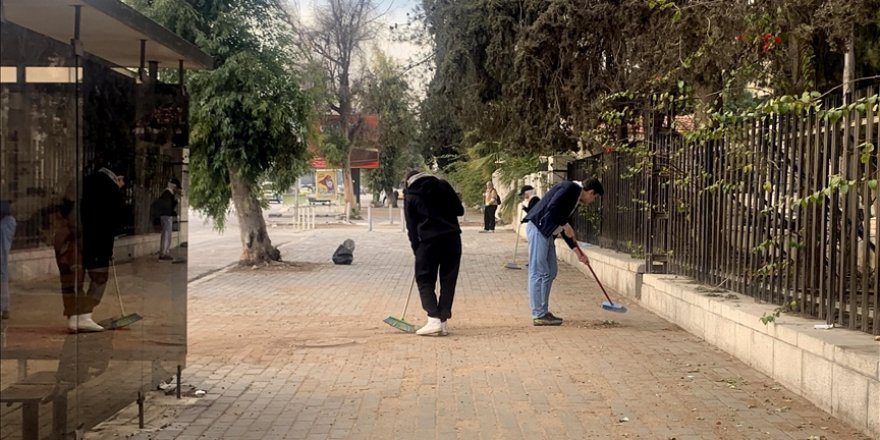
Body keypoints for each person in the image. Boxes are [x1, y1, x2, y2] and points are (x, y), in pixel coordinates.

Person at [52, 164, 126, 333]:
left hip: (72, 240)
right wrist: (109, 248)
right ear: (119, 178)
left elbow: (64, 207)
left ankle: (73, 318)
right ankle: (85, 316)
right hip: (97, 243)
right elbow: (114, 221)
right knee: (99, 278)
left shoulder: (82, 181)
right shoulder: (112, 189)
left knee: (73, 279)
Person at [523, 178, 604, 326]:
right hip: (539, 229)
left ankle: (543, 311)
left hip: (547, 233)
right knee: (539, 272)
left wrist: (578, 253)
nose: (592, 201)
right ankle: (538, 314)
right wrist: (566, 225)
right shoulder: (570, 188)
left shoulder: (575, 197)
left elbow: (564, 225)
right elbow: (552, 207)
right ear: (591, 192)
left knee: (550, 272)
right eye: (595, 198)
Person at [403, 170, 464, 336]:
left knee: (424, 279)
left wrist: (417, 249)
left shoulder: (411, 194)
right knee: (448, 279)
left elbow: (411, 226)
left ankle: (433, 318)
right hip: (452, 238)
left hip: (428, 242)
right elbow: (459, 210)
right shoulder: (443, 185)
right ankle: (443, 320)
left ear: (409, 182)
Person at [153, 178, 180, 261]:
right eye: (177, 188)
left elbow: (169, 206)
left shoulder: (169, 194)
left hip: (167, 216)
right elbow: (167, 207)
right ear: (174, 187)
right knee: (166, 235)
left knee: (167, 235)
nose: (177, 190)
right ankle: (163, 253)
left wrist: (175, 202)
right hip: (166, 217)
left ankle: (165, 252)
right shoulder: (167, 194)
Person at [0, 199, 15, 319]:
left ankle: (3, 305)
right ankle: (4, 306)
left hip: (4, 219)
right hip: (5, 219)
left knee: (1, 264)